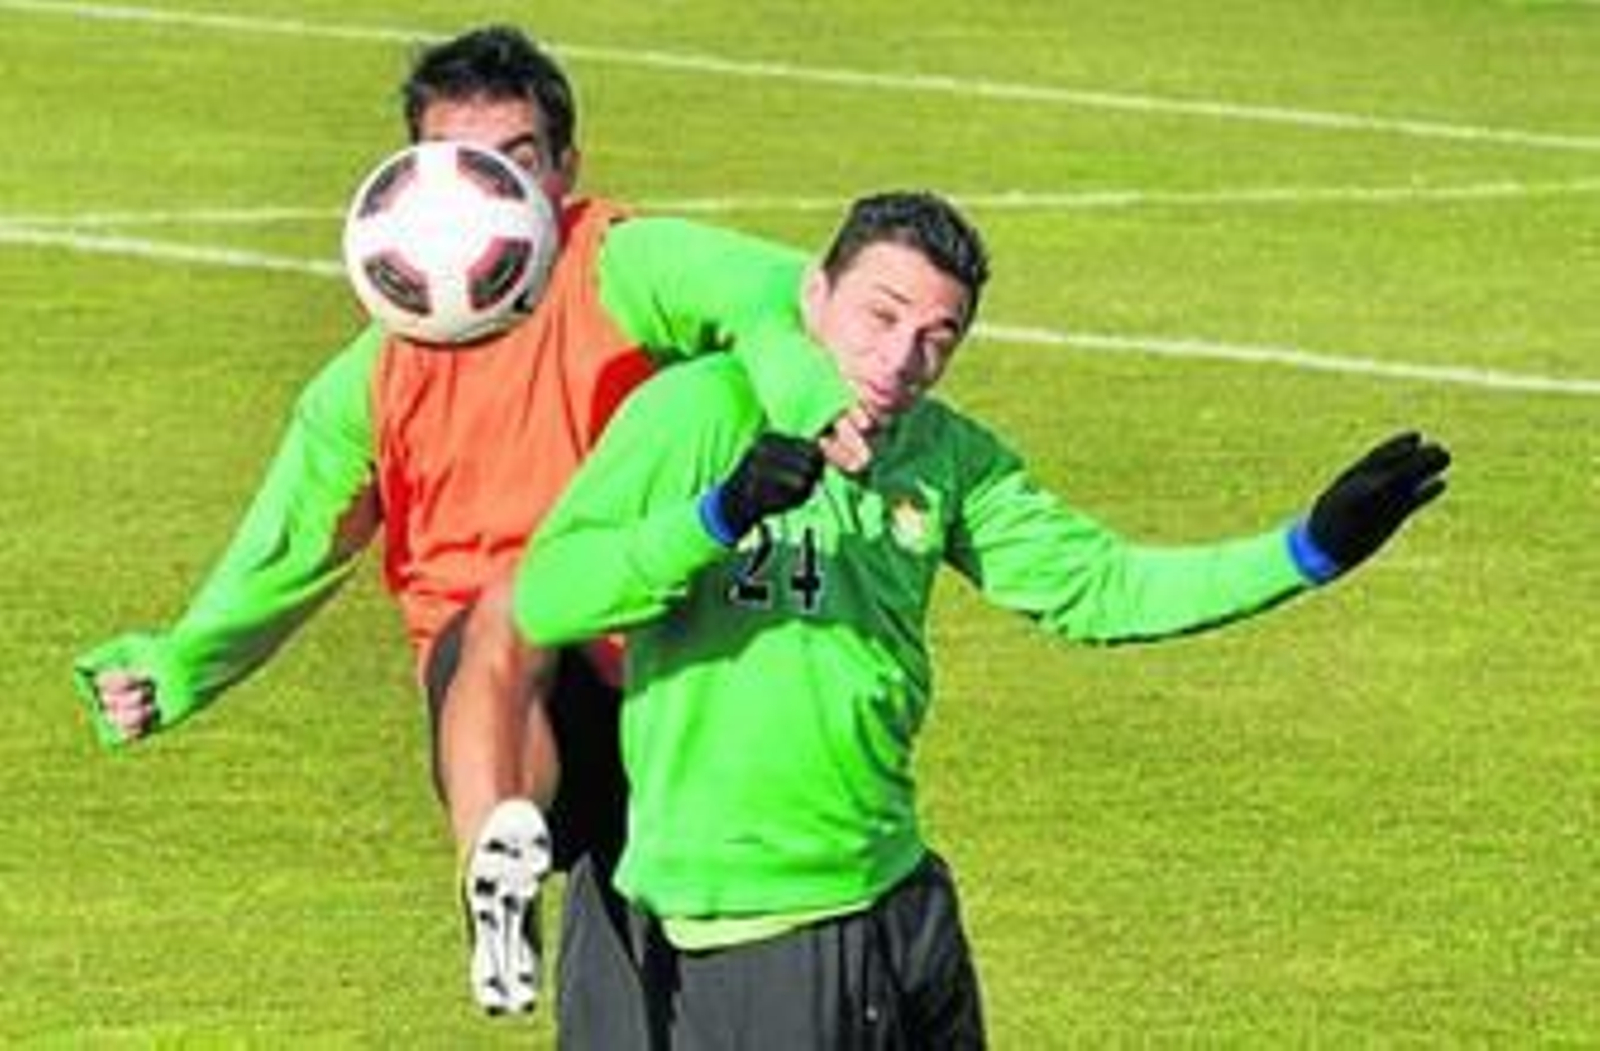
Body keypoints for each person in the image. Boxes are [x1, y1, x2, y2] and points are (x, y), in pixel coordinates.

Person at [487, 190, 1453, 1047]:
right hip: (746, 926)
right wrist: (718, 514)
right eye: (880, 315)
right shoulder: (698, 413)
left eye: (938, 338)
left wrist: (1306, 549)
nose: (900, 358)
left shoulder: (946, 458)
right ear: (813, 297)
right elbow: (552, 595)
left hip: (901, 898)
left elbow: (1102, 588)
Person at [71, 25, 873, 1018]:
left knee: (660, 978)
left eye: (519, 161)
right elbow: (292, 542)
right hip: (504, 691)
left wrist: (804, 398)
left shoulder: (622, 264)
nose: (488, 190)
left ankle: (515, 857)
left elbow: (783, 297)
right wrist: (181, 660)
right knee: (500, 626)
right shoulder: (369, 376)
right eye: (464, 164)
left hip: (678, 677)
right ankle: (497, 851)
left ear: (566, 171)